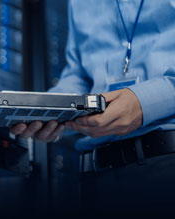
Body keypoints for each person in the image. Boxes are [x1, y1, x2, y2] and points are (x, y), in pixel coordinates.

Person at [11, 0, 175, 216]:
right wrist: (45, 110)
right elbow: (78, 77)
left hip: (166, 165)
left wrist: (144, 103)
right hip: (95, 178)